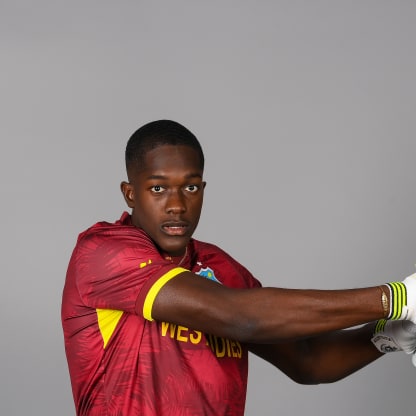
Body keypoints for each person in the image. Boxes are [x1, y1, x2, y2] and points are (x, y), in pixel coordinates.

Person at [62, 119, 416, 416]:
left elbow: (308, 360)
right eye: (158, 188)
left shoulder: (221, 269)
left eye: (190, 187)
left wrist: (387, 334)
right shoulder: (103, 253)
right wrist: (397, 298)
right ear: (130, 193)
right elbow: (241, 317)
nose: (177, 205)